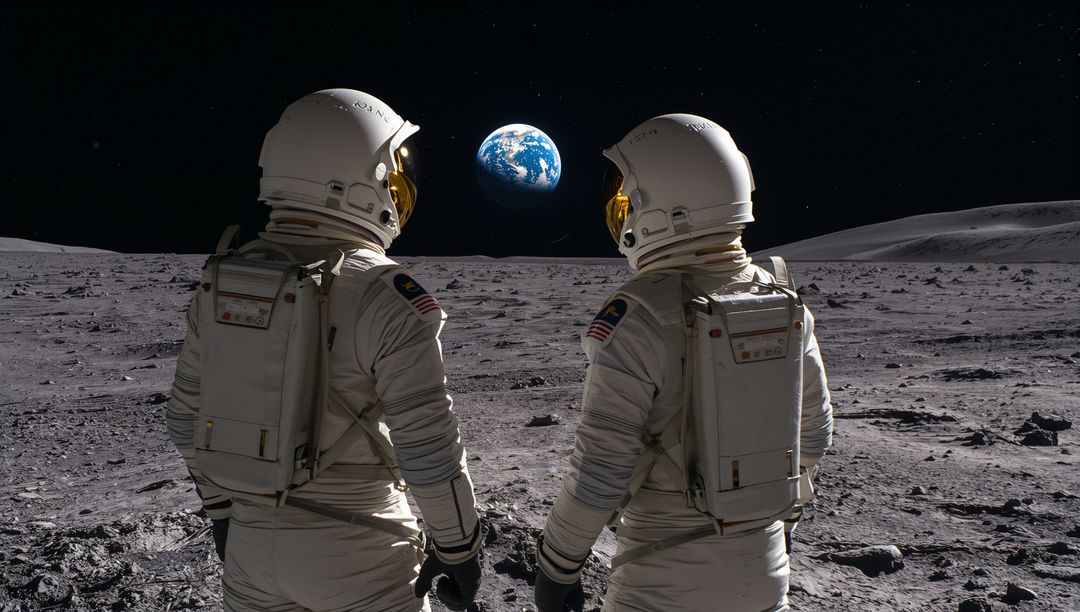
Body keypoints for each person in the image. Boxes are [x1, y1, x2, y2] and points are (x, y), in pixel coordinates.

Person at [166, 89, 482, 612]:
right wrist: (459, 547)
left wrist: (224, 515)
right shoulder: (386, 293)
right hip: (360, 551)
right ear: (360, 183)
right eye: (394, 174)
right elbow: (427, 447)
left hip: (250, 546)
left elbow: (184, 421)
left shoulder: (225, 281)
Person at [533, 114, 833, 612]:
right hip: (764, 573)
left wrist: (556, 566)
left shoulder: (640, 314)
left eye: (627, 201)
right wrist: (769, 524)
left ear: (664, 210)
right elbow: (816, 435)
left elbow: (600, 470)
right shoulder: (783, 300)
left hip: (661, 581)